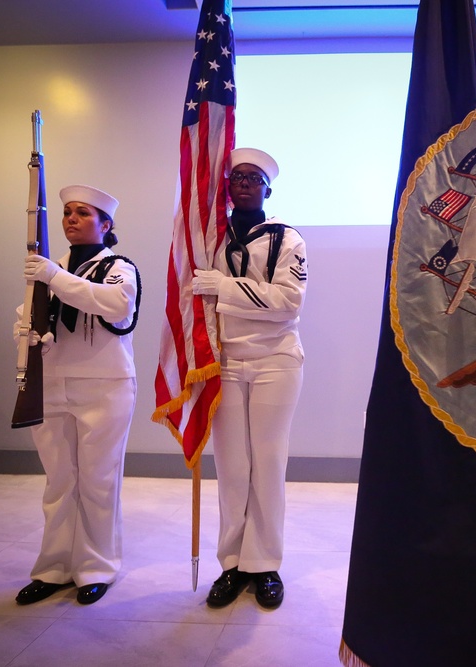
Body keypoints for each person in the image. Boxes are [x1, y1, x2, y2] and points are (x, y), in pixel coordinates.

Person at [191, 148, 307, 610]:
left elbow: (288, 301)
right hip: (226, 362)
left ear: (268, 189)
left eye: (253, 177)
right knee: (233, 467)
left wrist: (222, 289)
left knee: (268, 462)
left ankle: (265, 564)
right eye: (236, 176)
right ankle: (232, 563)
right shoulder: (209, 237)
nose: (243, 182)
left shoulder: (286, 238)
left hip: (275, 358)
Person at [14, 184, 140, 606]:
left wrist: (53, 276)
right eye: (67, 212)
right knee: (59, 482)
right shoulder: (48, 269)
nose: (70, 218)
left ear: (106, 224)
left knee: (99, 481)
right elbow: (26, 316)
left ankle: (96, 566)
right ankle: (53, 568)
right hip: (52, 384)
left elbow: (115, 304)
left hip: (104, 387)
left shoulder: (119, 267)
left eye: (83, 213)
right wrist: (24, 331)